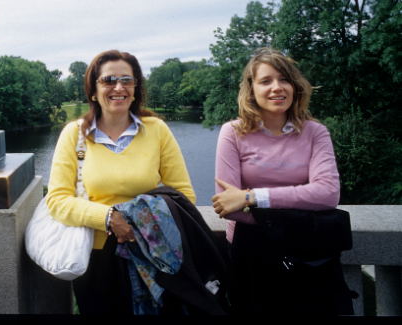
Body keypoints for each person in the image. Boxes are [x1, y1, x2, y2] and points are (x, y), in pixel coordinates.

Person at [45, 49, 196, 314]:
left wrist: (141, 222)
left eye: (127, 80)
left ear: (136, 88)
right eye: (108, 80)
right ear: (93, 90)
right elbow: (57, 201)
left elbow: (183, 196)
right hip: (97, 258)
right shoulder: (74, 135)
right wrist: (109, 217)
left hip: (152, 252)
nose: (119, 87)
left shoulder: (156, 130)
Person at [211, 47, 352, 314]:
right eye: (266, 81)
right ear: (251, 89)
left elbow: (327, 194)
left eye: (284, 79)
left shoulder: (315, 132)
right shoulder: (233, 132)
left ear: (295, 86)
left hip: (310, 254)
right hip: (252, 254)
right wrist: (301, 210)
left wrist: (252, 197)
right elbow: (228, 206)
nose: (277, 87)